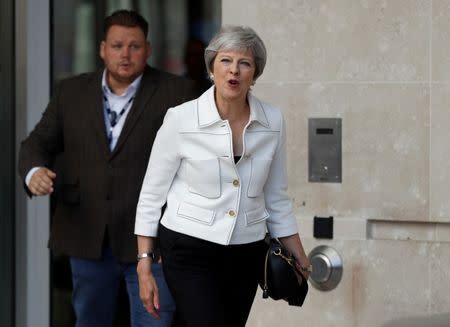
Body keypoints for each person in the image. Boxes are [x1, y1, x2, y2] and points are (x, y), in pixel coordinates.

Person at [18, 9, 197, 327]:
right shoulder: (70, 91)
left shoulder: (178, 93)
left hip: (152, 240)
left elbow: (198, 163)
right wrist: (34, 172)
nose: (125, 54)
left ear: (148, 49)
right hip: (87, 235)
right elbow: (35, 145)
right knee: (90, 322)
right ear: (102, 48)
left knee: (153, 322)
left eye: (134, 46)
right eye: (117, 46)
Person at [134, 25, 312, 327]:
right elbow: (152, 195)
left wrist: (298, 254)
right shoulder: (181, 119)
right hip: (189, 248)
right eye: (226, 61)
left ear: (254, 74)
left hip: (247, 250)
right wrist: (144, 264)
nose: (234, 71)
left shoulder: (273, 121)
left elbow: (276, 195)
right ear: (211, 68)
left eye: (245, 63)